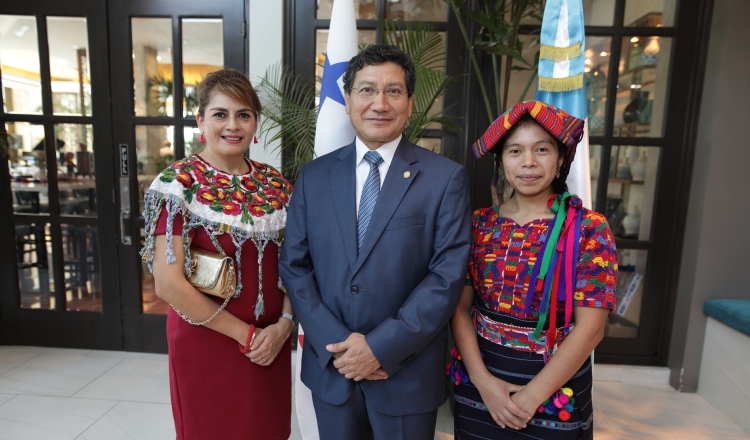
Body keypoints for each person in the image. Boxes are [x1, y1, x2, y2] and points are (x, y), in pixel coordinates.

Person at [279, 44, 472, 439]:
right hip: (332, 369)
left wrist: (380, 348)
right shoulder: (313, 177)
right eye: (367, 90)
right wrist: (340, 346)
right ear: (347, 98)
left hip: (406, 374)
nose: (379, 103)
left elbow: (446, 277)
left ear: (410, 102)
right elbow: (295, 266)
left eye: (393, 91)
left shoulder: (444, 179)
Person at [140, 68, 295, 440]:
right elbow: (168, 284)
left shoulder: (276, 186)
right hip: (208, 341)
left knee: (268, 430)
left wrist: (283, 327)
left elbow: (298, 266)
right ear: (200, 119)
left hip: (271, 341)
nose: (233, 125)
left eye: (244, 114)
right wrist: (247, 336)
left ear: (256, 122)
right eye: (220, 114)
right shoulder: (177, 185)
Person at [450, 101, 617, 439]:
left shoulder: (589, 229)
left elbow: (591, 329)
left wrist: (530, 398)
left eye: (542, 149)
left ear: (560, 161)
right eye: (515, 151)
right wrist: (484, 384)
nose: (528, 162)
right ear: (501, 162)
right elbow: (459, 308)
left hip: (554, 391)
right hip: (480, 385)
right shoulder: (478, 224)